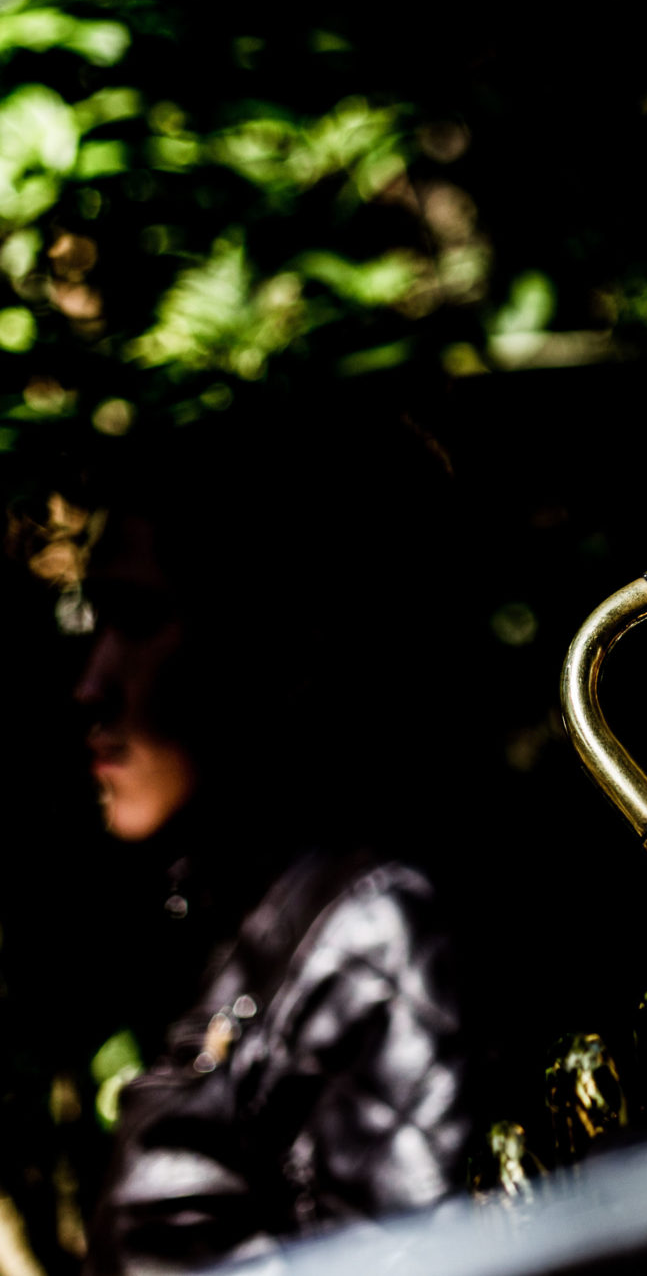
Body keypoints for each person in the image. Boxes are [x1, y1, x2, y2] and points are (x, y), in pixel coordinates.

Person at [52, 425, 471, 1276]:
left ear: (269, 637)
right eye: (98, 624)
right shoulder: (249, 921)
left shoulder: (374, 928)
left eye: (138, 619)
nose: (90, 683)